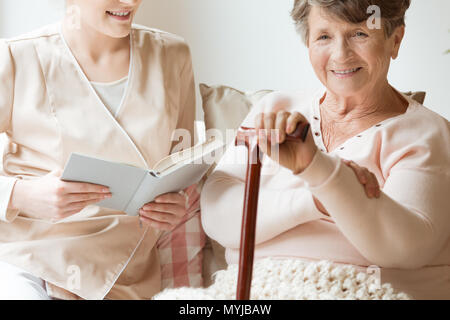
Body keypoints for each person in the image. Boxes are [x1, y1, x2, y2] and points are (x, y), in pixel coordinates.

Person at [201, 0, 450, 299]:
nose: (340, 55)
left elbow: (403, 248)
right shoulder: (276, 110)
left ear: (394, 40)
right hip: (246, 293)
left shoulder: (425, 133)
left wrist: (317, 168)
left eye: (359, 34)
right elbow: (218, 216)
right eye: (324, 36)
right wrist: (316, 200)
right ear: (307, 41)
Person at [0, 0, 205, 299]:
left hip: (124, 273)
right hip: (29, 260)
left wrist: (174, 207)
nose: (131, 1)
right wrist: (24, 195)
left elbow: (179, 171)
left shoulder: (173, 56)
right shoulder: (17, 57)